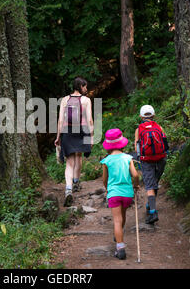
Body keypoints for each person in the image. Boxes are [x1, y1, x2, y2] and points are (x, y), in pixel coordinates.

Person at [100, 128, 140, 260]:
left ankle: (120, 247)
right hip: (127, 193)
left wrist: (107, 188)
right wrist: (136, 185)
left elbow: (104, 180)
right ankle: (119, 236)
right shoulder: (128, 158)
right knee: (122, 217)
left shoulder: (106, 161)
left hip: (114, 194)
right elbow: (135, 175)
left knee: (117, 221)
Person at [54, 77, 94, 207]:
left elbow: (60, 120)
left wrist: (58, 136)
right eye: (85, 87)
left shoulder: (65, 100)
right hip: (82, 130)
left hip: (68, 130)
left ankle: (68, 189)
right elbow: (90, 120)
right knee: (79, 155)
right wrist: (92, 137)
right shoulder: (86, 100)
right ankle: (76, 182)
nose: (86, 89)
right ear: (81, 86)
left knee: (69, 161)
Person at [134, 105, 168, 225]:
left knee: (149, 186)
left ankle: (153, 212)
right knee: (154, 183)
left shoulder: (139, 129)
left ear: (141, 116)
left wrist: (139, 160)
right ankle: (150, 204)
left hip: (146, 160)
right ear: (153, 115)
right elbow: (165, 142)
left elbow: (137, 145)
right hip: (161, 159)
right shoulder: (158, 127)